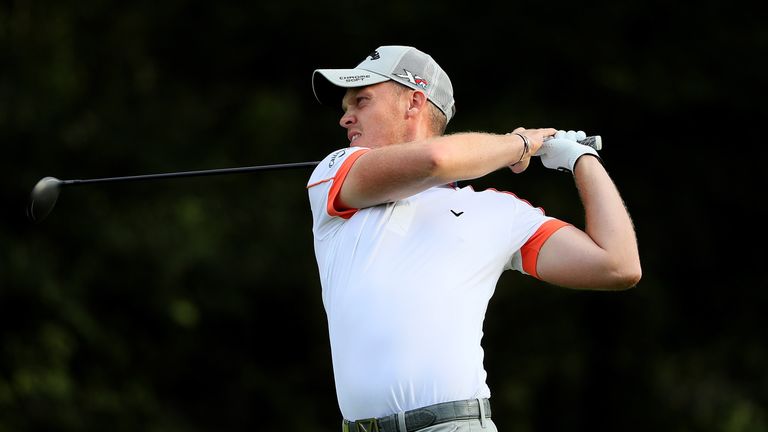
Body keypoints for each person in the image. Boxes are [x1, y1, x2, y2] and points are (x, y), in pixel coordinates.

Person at [306, 45, 641, 432]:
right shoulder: (335, 174)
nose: (346, 118)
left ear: (413, 102)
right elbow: (436, 160)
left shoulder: (499, 212)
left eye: (361, 101)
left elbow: (618, 265)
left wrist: (582, 160)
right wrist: (520, 144)